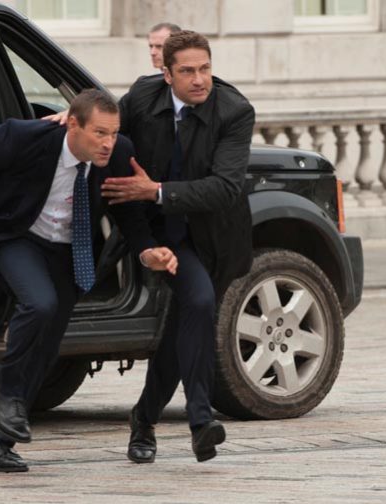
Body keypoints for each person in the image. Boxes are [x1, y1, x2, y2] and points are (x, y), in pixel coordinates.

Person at [0, 90, 177, 473]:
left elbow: (128, 214)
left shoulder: (117, 155)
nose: (108, 143)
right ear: (72, 124)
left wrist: (148, 251)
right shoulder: (27, 138)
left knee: (47, 346)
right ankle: (10, 401)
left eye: (113, 133)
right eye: (99, 133)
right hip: (15, 236)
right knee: (40, 303)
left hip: (67, 251)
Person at [104, 30, 255, 463]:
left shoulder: (235, 111)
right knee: (200, 301)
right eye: (187, 71)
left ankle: (144, 419)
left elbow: (225, 187)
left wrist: (156, 190)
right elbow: (107, 132)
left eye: (205, 68)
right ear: (166, 74)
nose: (199, 79)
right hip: (160, 234)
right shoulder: (142, 97)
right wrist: (68, 120)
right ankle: (201, 420)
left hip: (214, 237)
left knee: (181, 330)